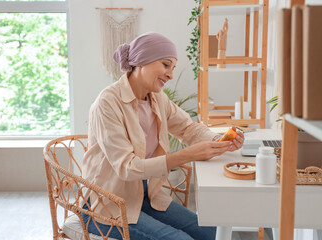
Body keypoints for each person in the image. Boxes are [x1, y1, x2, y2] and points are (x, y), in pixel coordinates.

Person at [82, 32, 245, 240]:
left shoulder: (158, 98)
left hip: (147, 196)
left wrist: (218, 140)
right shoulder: (107, 104)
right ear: (142, 60)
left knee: (215, 233)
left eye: (173, 68)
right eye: (166, 65)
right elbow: (126, 167)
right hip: (107, 205)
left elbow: (188, 128)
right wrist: (186, 155)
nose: (170, 74)